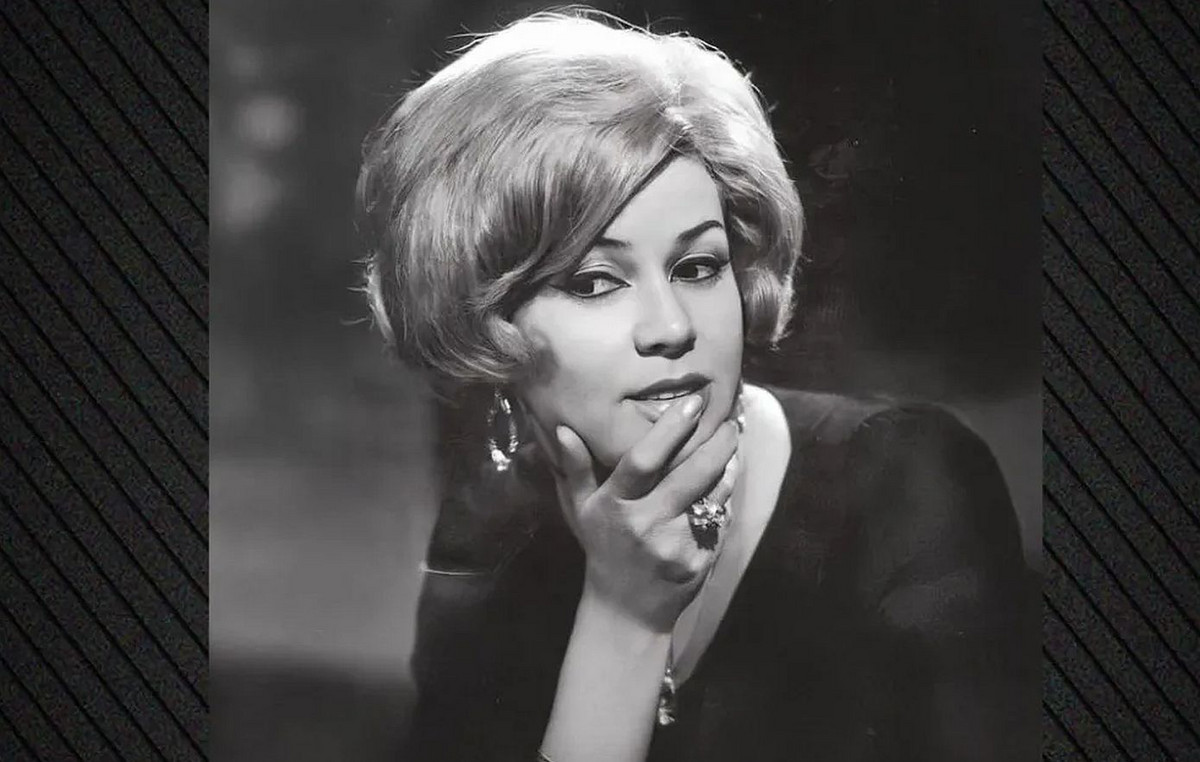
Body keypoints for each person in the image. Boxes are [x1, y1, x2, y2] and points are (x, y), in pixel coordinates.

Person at [356, 10, 1036, 761]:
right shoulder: (490, 534)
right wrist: (624, 616)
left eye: (698, 267)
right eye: (594, 282)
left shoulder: (907, 485)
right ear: (483, 318)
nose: (671, 326)